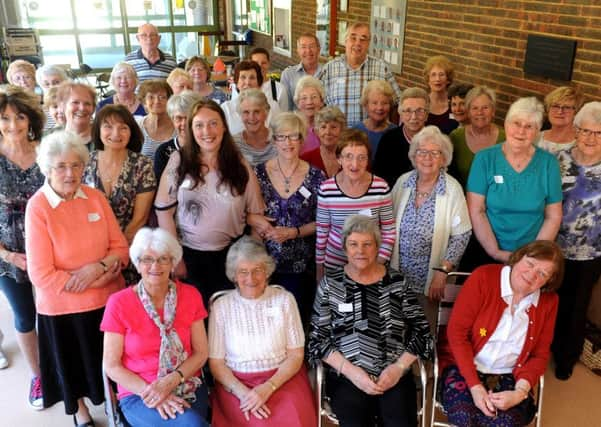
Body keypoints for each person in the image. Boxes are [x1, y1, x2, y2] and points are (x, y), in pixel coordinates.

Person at [25, 130, 129, 426]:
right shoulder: (38, 207)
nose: (70, 173)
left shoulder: (95, 197)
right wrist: (93, 279)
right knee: (71, 367)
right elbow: (41, 274)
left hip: (108, 302)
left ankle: (116, 407)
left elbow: (120, 249)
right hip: (62, 308)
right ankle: (81, 414)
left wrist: (95, 270)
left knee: (111, 364)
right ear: (46, 168)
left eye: (76, 165)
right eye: (61, 166)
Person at [309, 215, 433, 427]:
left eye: (367, 244)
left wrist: (398, 368)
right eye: (354, 244)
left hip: (393, 373)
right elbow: (317, 341)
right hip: (347, 376)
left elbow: (422, 332)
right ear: (345, 248)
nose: (360, 251)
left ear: (377, 247)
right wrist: (353, 373)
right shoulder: (331, 285)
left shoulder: (396, 282)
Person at [154, 99, 265, 305]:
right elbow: (163, 211)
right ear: (191, 129)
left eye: (213, 123)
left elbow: (256, 214)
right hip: (189, 257)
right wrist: (175, 257)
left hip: (232, 257)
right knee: (197, 323)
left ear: (224, 126)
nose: (207, 131)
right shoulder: (178, 161)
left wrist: (250, 259)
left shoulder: (240, 164)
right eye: (199, 125)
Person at [443, 240, 564, 426]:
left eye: (542, 274)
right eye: (530, 264)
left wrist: (519, 393)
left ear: (550, 281)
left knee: (504, 422)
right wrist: (475, 387)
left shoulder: (549, 302)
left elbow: (539, 355)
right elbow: (456, 333)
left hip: (511, 375)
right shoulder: (483, 277)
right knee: (465, 417)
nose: (531, 275)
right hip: (464, 366)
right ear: (518, 258)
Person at [101, 228, 210, 426]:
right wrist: (153, 392)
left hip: (186, 383)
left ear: (173, 262)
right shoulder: (118, 303)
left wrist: (171, 382)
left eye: (163, 259)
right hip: (139, 392)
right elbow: (111, 365)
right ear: (137, 263)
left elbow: (201, 352)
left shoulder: (191, 295)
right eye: (147, 260)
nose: (155, 266)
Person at [208, 237, 316, 427]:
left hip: (283, 378)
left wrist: (268, 387)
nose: (250, 278)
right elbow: (216, 363)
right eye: (243, 271)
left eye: (257, 270)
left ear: (267, 271)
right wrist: (244, 394)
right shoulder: (221, 306)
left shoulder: (284, 299)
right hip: (235, 384)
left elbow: (296, 355)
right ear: (234, 274)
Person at [390, 126, 471, 328]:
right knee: (396, 328)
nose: (427, 158)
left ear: (444, 158)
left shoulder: (452, 189)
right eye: (422, 152)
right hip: (398, 276)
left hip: (431, 280)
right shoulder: (403, 182)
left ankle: (423, 360)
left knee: (425, 330)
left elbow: (462, 235)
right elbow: (387, 224)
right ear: (414, 156)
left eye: (434, 153)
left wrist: (443, 271)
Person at [466, 97, 563, 265]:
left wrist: (533, 254)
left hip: (533, 255)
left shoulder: (548, 163)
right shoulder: (484, 159)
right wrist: (495, 252)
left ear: (537, 131)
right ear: (506, 124)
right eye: (516, 123)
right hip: (488, 250)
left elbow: (553, 216)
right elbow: (477, 210)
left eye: (529, 126)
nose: (521, 131)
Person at [254, 112, 325, 320]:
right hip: (265, 264)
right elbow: (243, 210)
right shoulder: (257, 174)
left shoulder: (316, 176)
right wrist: (253, 219)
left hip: (302, 265)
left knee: (298, 320)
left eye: (294, 136)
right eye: (282, 137)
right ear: (273, 140)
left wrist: (294, 232)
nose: (288, 142)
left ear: (302, 140)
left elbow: (323, 221)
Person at [0, 86, 46, 409]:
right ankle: (37, 375)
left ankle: (60, 366)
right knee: (25, 315)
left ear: (30, 119)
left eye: (19, 116)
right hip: (6, 254)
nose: (13, 124)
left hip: (48, 250)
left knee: (53, 313)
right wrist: (8, 255)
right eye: (4, 118)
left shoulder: (46, 151)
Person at [552, 101, 601, 380]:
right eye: (585, 131)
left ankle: (566, 358)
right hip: (554, 247)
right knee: (549, 300)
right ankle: (541, 347)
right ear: (576, 131)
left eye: (598, 133)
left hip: (592, 251)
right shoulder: (559, 161)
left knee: (577, 307)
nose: (591, 138)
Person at [84, 105, 157, 283]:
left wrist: (113, 255)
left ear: (131, 132)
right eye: (108, 126)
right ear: (98, 130)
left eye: (123, 127)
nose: (116, 133)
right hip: (89, 249)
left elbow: (139, 219)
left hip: (129, 247)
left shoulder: (142, 165)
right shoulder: (85, 162)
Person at [316, 128, 395, 280]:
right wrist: (320, 268)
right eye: (348, 157)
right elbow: (322, 233)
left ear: (368, 160)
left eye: (361, 158)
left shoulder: (380, 187)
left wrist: (377, 263)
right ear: (339, 159)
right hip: (335, 264)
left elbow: (389, 230)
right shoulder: (326, 189)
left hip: (371, 263)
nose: (355, 164)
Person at [318, 22, 402, 126]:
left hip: (372, 136)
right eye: (353, 38)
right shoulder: (329, 68)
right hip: (339, 136)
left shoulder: (381, 68)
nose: (358, 43)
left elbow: (398, 102)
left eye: (363, 39)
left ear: (368, 43)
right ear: (345, 41)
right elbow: (318, 104)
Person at [449, 86, 505, 187]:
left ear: (493, 111)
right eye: (475, 108)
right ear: (468, 112)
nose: (480, 112)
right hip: (463, 199)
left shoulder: (505, 138)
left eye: (485, 108)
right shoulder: (456, 137)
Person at [373, 87, 430, 187]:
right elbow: (379, 177)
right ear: (400, 114)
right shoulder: (388, 140)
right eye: (408, 111)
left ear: (427, 114)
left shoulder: (438, 140)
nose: (414, 117)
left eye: (420, 111)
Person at [221, 60, 281, 135]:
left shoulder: (273, 106)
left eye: (252, 78)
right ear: (236, 82)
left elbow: (279, 134)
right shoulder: (226, 109)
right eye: (243, 77)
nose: (247, 82)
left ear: (259, 83)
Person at [154, 90, 203, 181]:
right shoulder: (163, 152)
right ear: (172, 120)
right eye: (179, 118)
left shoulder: (208, 147)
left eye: (188, 117)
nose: (184, 123)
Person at [352, 80, 397, 159]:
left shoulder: (396, 132)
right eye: (374, 103)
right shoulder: (356, 131)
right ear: (366, 105)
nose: (380, 108)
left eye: (384, 103)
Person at [233, 88, 277, 167]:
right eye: (246, 112)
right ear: (240, 115)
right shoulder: (233, 144)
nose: (251, 117)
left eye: (256, 112)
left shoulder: (279, 139)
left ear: (266, 113)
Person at [280, 33, 323, 110]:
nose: (308, 51)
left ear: (318, 49)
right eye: (303, 47)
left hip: (323, 120)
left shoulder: (328, 71)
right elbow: (285, 107)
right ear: (298, 51)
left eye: (312, 46)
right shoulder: (288, 74)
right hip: (297, 120)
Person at [537, 86, 583, 155]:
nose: (560, 111)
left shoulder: (581, 144)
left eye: (567, 107)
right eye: (555, 106)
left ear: (576, 112)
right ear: (548, 109)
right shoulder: (536, 137)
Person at [301, 106, 346, 178]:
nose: (328, 132)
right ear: (316, 132)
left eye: (333, 127)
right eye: (323, 127)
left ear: (342, 130)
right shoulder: (305, 159)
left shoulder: (351, 158)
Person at [136, 79, 176, 158]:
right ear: (144, 102)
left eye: (162, 97)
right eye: (151, 97)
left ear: (169, 100)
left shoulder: (178, 125)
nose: (157, 101)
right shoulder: (137, 126)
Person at [56, 81, 96, 150]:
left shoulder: (104, 139)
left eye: (87, 104)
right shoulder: (51, 140)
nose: (82, 108)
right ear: (62, 106)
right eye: (75, 102)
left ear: (93, 108)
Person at [424, 55, 459, 135]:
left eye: (441, 74)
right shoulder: (422, 103)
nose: (437, 79)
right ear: (428, 79)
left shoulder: (455, 104)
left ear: (448, 80)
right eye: (433, 75)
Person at [250, 47, 290, 112]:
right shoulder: (242, 88)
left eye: (264, 63)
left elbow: (284, 117)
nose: (260, 66)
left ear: (269, 64)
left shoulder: (279, 89)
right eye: (256, 63)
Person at [293, 76, 325, 154]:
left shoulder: (328, 127)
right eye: (304, 98)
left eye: (314, 97)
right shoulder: (292, 127)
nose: (309, 102)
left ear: (321, 101)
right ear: (297, 103)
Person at [36, 65, 69, 131]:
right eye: (47, 84)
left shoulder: (74, 103)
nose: (51, 87)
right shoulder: (38, 111)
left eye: (56, 82)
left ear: (65, 82)